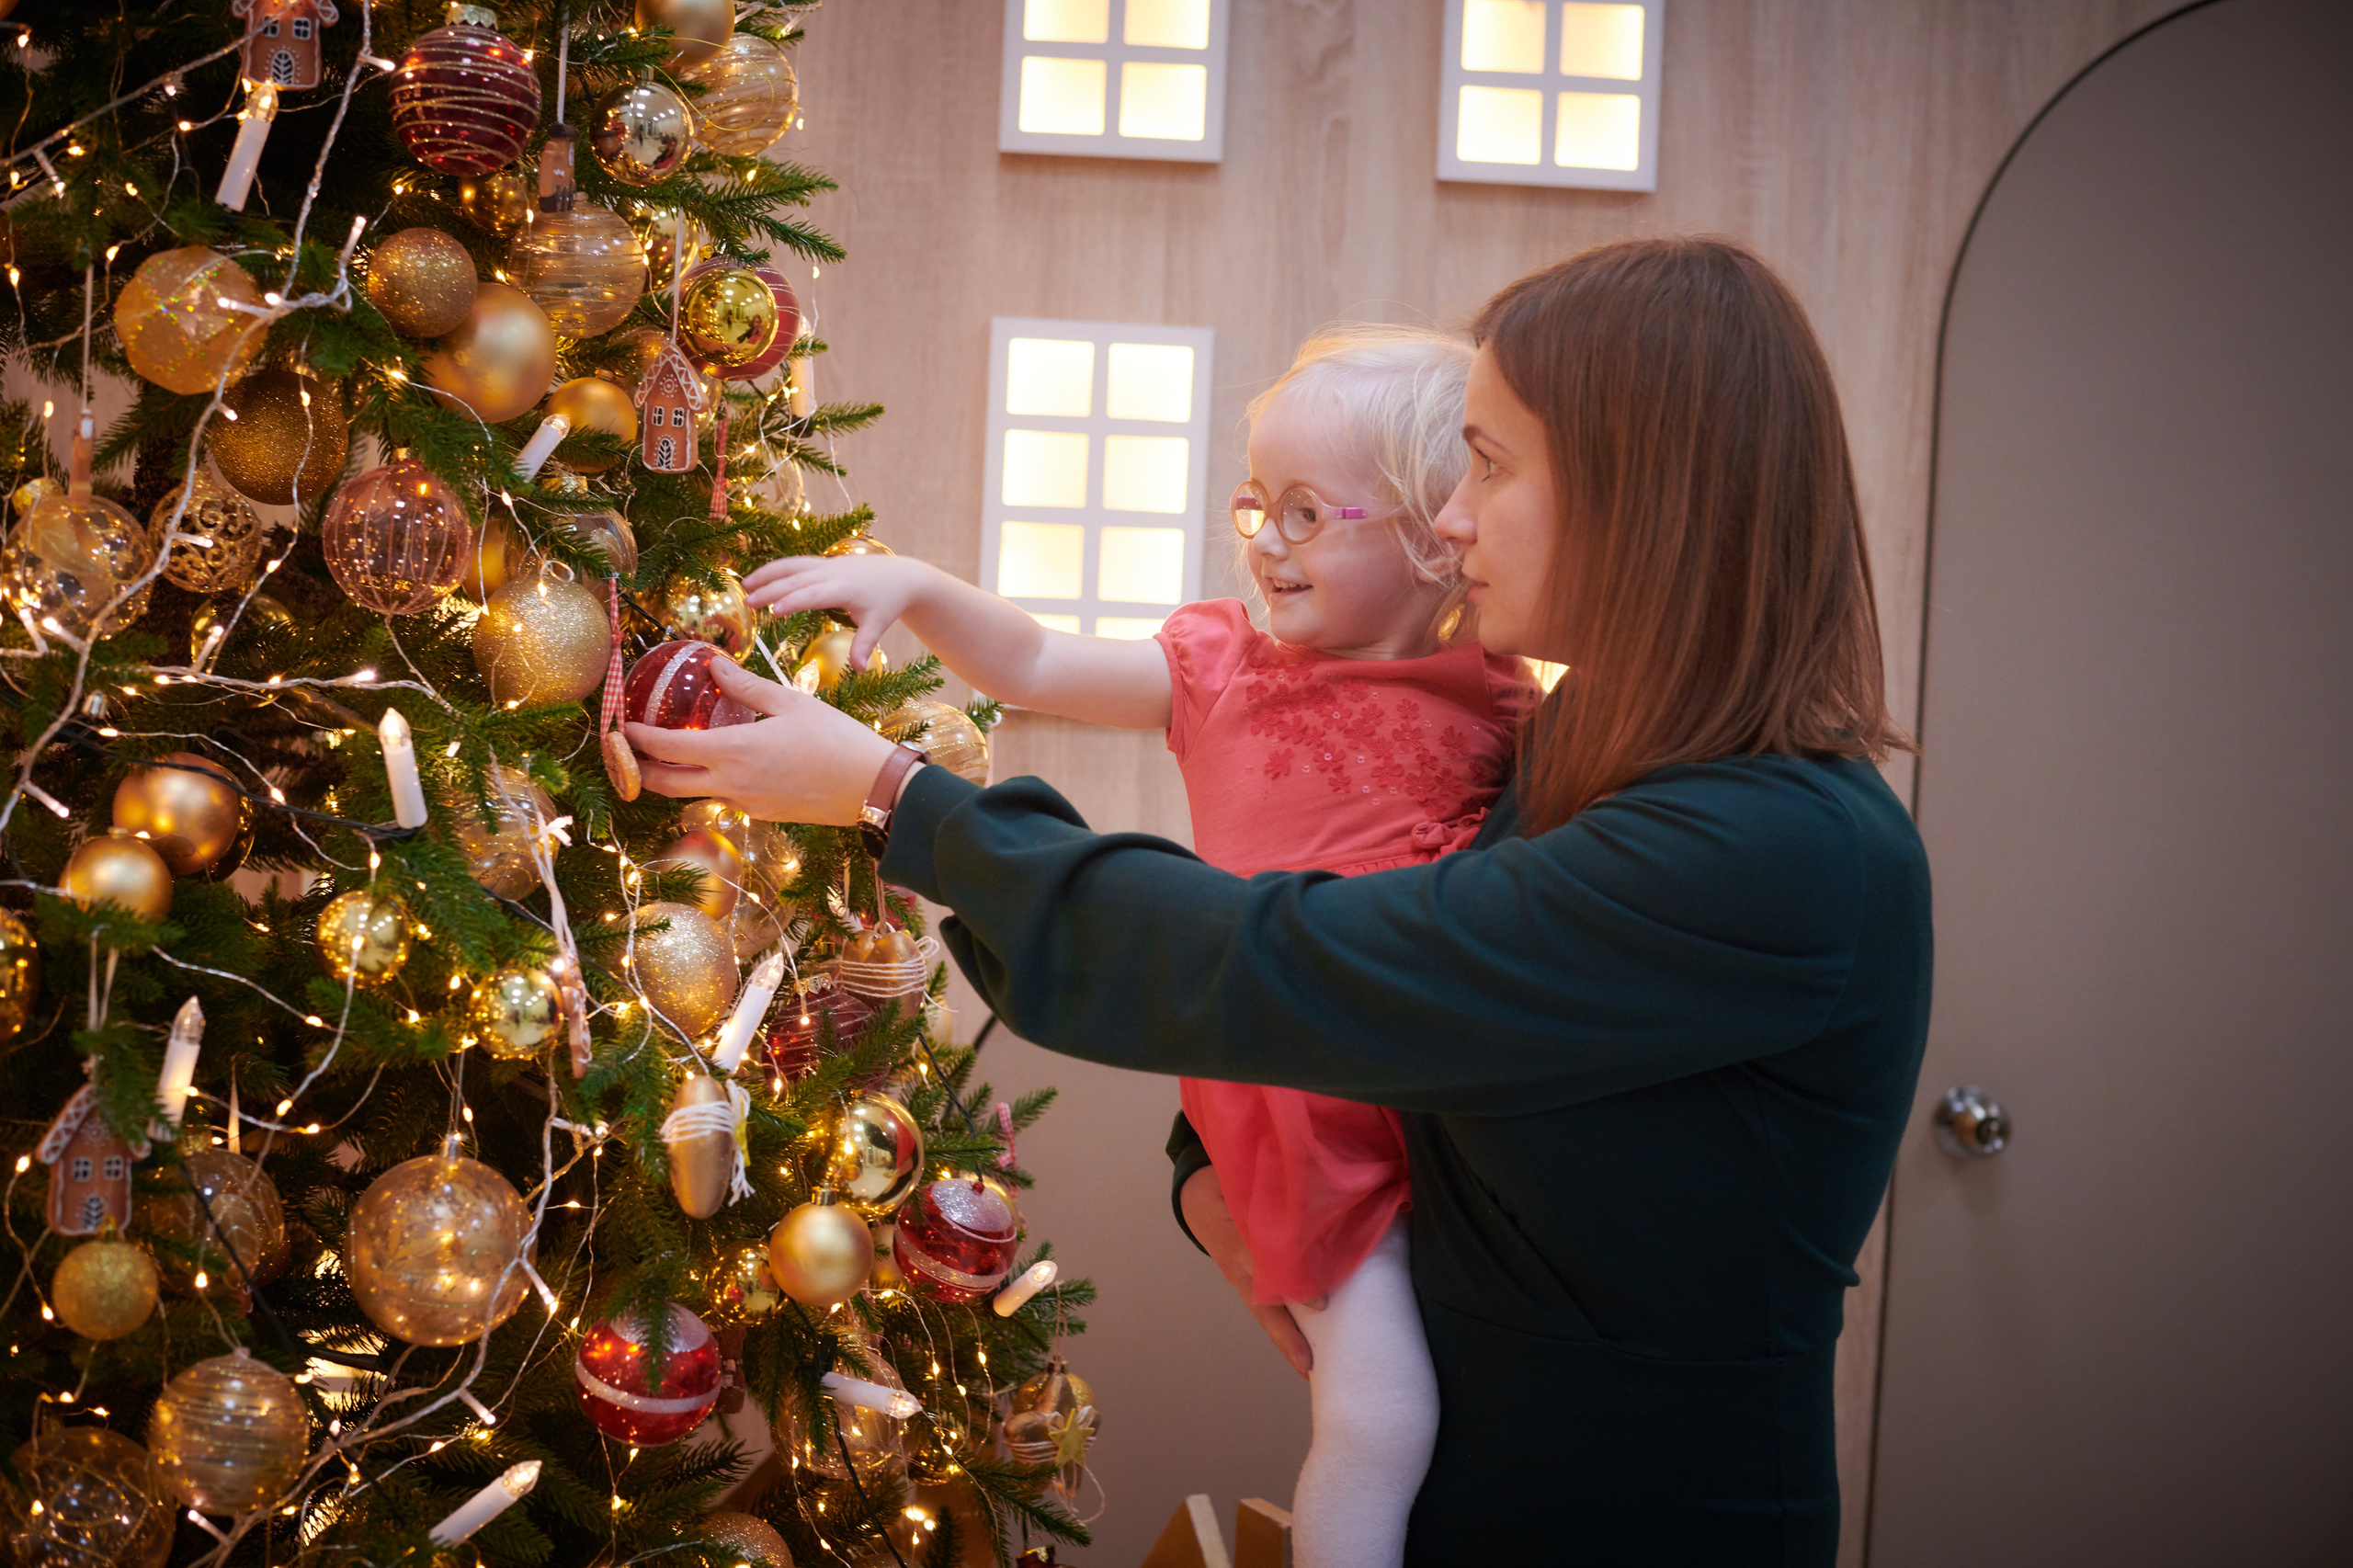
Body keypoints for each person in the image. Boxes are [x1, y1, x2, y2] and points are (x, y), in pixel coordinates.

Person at [628, 236, 1932, 1564]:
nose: (1458, 517)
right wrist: (1212, 1186)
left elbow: (1309, 966)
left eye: (1489, 465)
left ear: (1640, 492)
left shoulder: (1774, 852)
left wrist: (900, 799)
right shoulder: (1587, 751)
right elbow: (1374, 1030)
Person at [740, 324, 1534, 1568]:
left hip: (1437, 1094)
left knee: (1460, 1390)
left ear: (1440, 532)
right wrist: (916, 586)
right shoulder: (1220, 665)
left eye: (1308, 512)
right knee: (1384, 1414)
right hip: (1299, 1092)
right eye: (1254, 505)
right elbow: (1041, 662)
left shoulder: (1499, 691)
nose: (1266, 538)